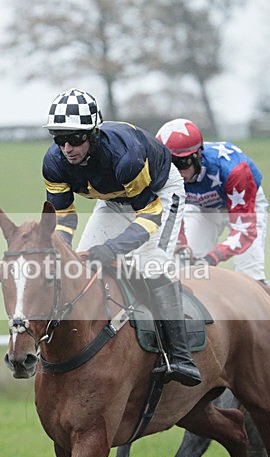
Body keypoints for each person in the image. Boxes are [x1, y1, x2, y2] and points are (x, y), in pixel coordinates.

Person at [42, 88, 202, 386]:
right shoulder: (53, 163)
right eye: (59, 138)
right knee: (80, 265)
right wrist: (61, 250)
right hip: (114, 199)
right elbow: (64, 217)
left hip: (158, 194)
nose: (67, 148)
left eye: (75, 138)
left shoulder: (124, 157)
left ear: (92, 134)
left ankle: (180, 356)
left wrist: (113, 248)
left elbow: (150, 215)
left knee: (150, 263)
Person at [156, 118, 268, 282]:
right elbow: (172, 216)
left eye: (182, 163)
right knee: (184, 269)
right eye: (169, 164)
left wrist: (212, 257)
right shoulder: (164, 176)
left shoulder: (235, 171)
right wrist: (181, 246)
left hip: (243, 203)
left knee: (250, 274)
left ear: (198, 155)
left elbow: (245, 230)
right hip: (201, 208)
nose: (176, 173)